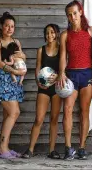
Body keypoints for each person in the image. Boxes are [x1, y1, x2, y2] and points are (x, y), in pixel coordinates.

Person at [58, 0, 92, 160]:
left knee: (84, 111)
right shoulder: (65, 35)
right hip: (71, 76)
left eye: (74, 13)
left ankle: (81, 147)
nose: (72, 17)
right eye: (69, 14)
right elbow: (62, 56)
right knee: (67, 109)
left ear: (80, 12)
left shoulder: (91, 32)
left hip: (88, 74)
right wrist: (61, 72)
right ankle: (68, 147)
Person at [22, 24, 62, 159]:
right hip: (43, 88)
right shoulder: (41, 50)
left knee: (54, 119)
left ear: (56, 34)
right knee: (38, 119)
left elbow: (64, 68)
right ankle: (30, 149)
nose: (49, 35)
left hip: (56, 88)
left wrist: (58, 77)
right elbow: (38, 68)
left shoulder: (62, 50)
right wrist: (39, 82)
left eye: (52, 32)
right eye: (47, 33)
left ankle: (52, 150)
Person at [0, 11, 26, 159]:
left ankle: (3, 147)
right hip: (2, 79)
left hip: (15, 81)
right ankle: (2, 147)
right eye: (7, 26)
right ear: (1, 26)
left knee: (8, 114)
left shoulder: (16, 42)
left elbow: (22, 56)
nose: (10, 29)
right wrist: (14, 70)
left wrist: (19, 67)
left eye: (12, 26)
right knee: (14, 112)